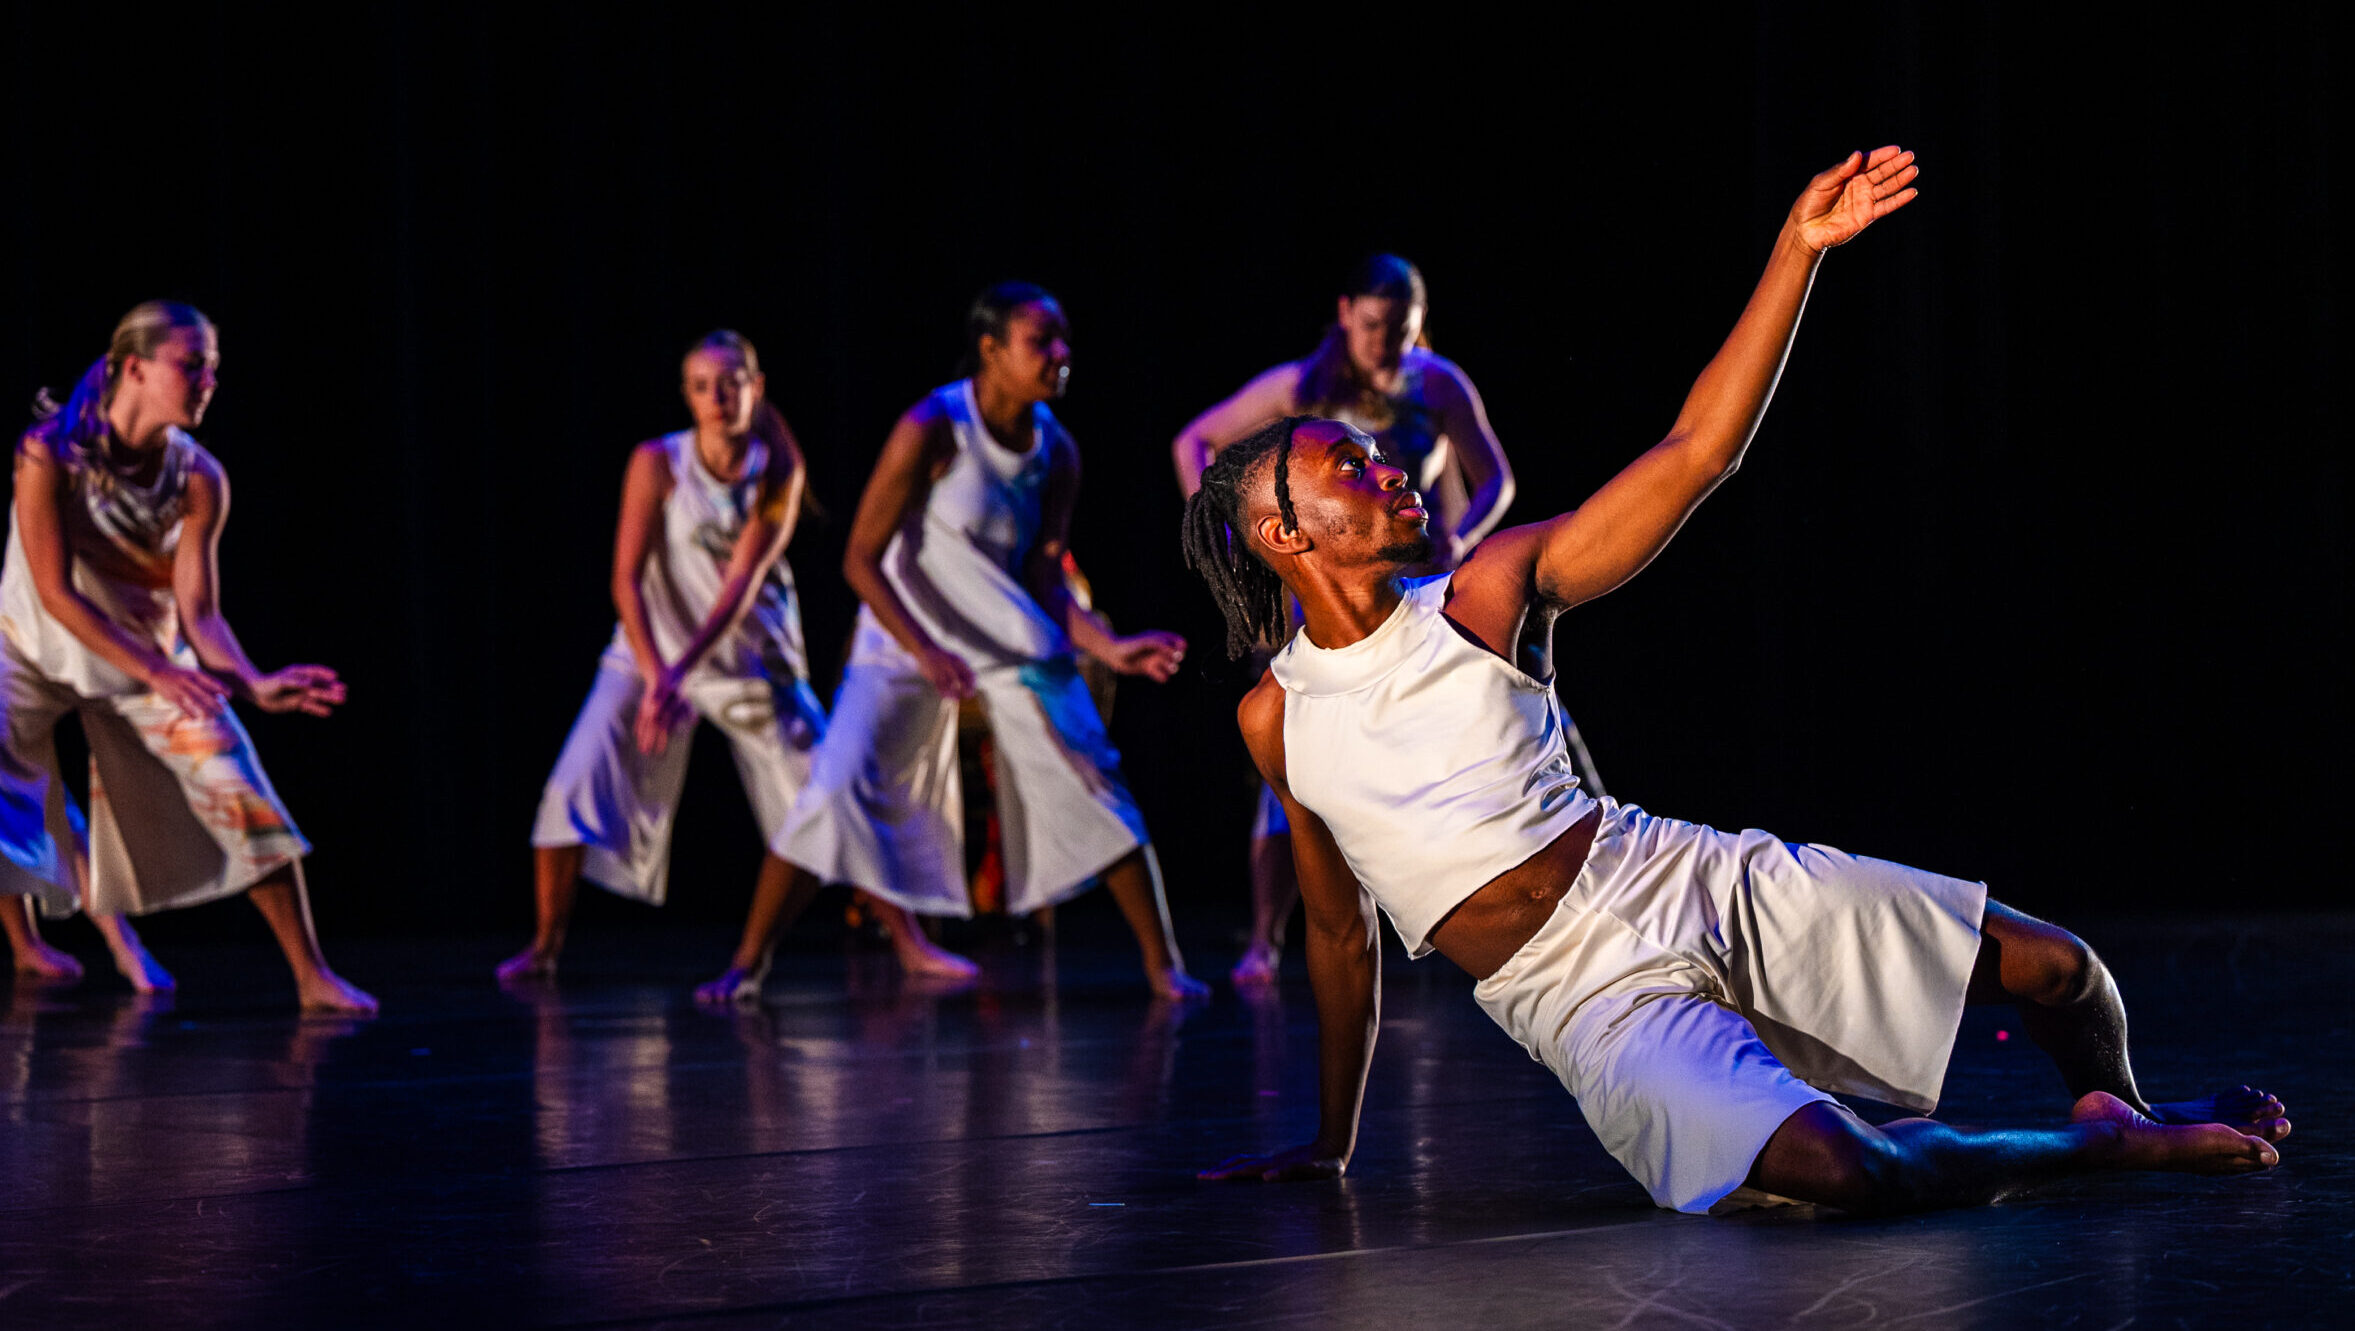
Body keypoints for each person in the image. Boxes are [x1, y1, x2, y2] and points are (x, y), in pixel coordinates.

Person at [1187, 148, 2291, 1214]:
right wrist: (1331, 1143)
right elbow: (1336, 934)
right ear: (1287, 530)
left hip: (1682, 878)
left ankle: (2126, 1107)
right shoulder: (1277, 716)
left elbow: (1695, 453)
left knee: (2063, 971)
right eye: (1354, 464)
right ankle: (2103, 1143)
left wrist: (1796, 250)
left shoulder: (1488, 588)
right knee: (1848, 1170)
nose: (1389, 466)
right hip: (1586, 1000)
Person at [724, 283, 1208, 1002]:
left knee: (1092, 776)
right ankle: (748, 963)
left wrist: (1107, 648)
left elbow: (1044, 573)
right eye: (1039, 341)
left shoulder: (1058, 450)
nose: (1059, 354)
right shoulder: (935, 424)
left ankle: (1162, 965)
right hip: (901, 635)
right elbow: (860, 556)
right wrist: (924, 651)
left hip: (1005, 640)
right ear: (990, 350)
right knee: (833, 784)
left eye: (1061, 339)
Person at [1173, 256, 1600, 986]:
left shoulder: (1435, 384)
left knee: (1505, 718)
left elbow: (1494, 473)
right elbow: (1196, 444)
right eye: (1372, 327)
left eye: (1399, 330)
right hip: (1326, 602)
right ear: (1344, 314)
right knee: (1301, 768)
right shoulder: (1298, 389)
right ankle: (1265, 941)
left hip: (1419, 583)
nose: (1384, 343)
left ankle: (1561, 884)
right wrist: (1248, 554)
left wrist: (1467, 535)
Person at [500, 332, 973, 990]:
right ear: (686, 397)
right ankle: (546, 945)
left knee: (824, 789)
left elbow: (740, 584)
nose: (717, 398)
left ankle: (908, 942)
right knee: (576, 780)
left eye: (731, 382)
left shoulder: (779, 470)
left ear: (757, 385)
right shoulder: (657, 461)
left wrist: (680, 672)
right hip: (646, 653)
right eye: (701, 386)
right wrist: (656, 672)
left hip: (749, 655)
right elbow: (625, 579)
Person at [0, 301, 374, 1012]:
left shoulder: (200, 479)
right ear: (134, 367)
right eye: (192, 362)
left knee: (238, 781)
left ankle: (311, 975)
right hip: (30, 646)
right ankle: (28, 942)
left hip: (141, 660)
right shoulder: (47, 452)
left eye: (214, 366)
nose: (208, 379)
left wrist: (254, 684)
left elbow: (199, 612)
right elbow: (53, 593)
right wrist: (163, 670)